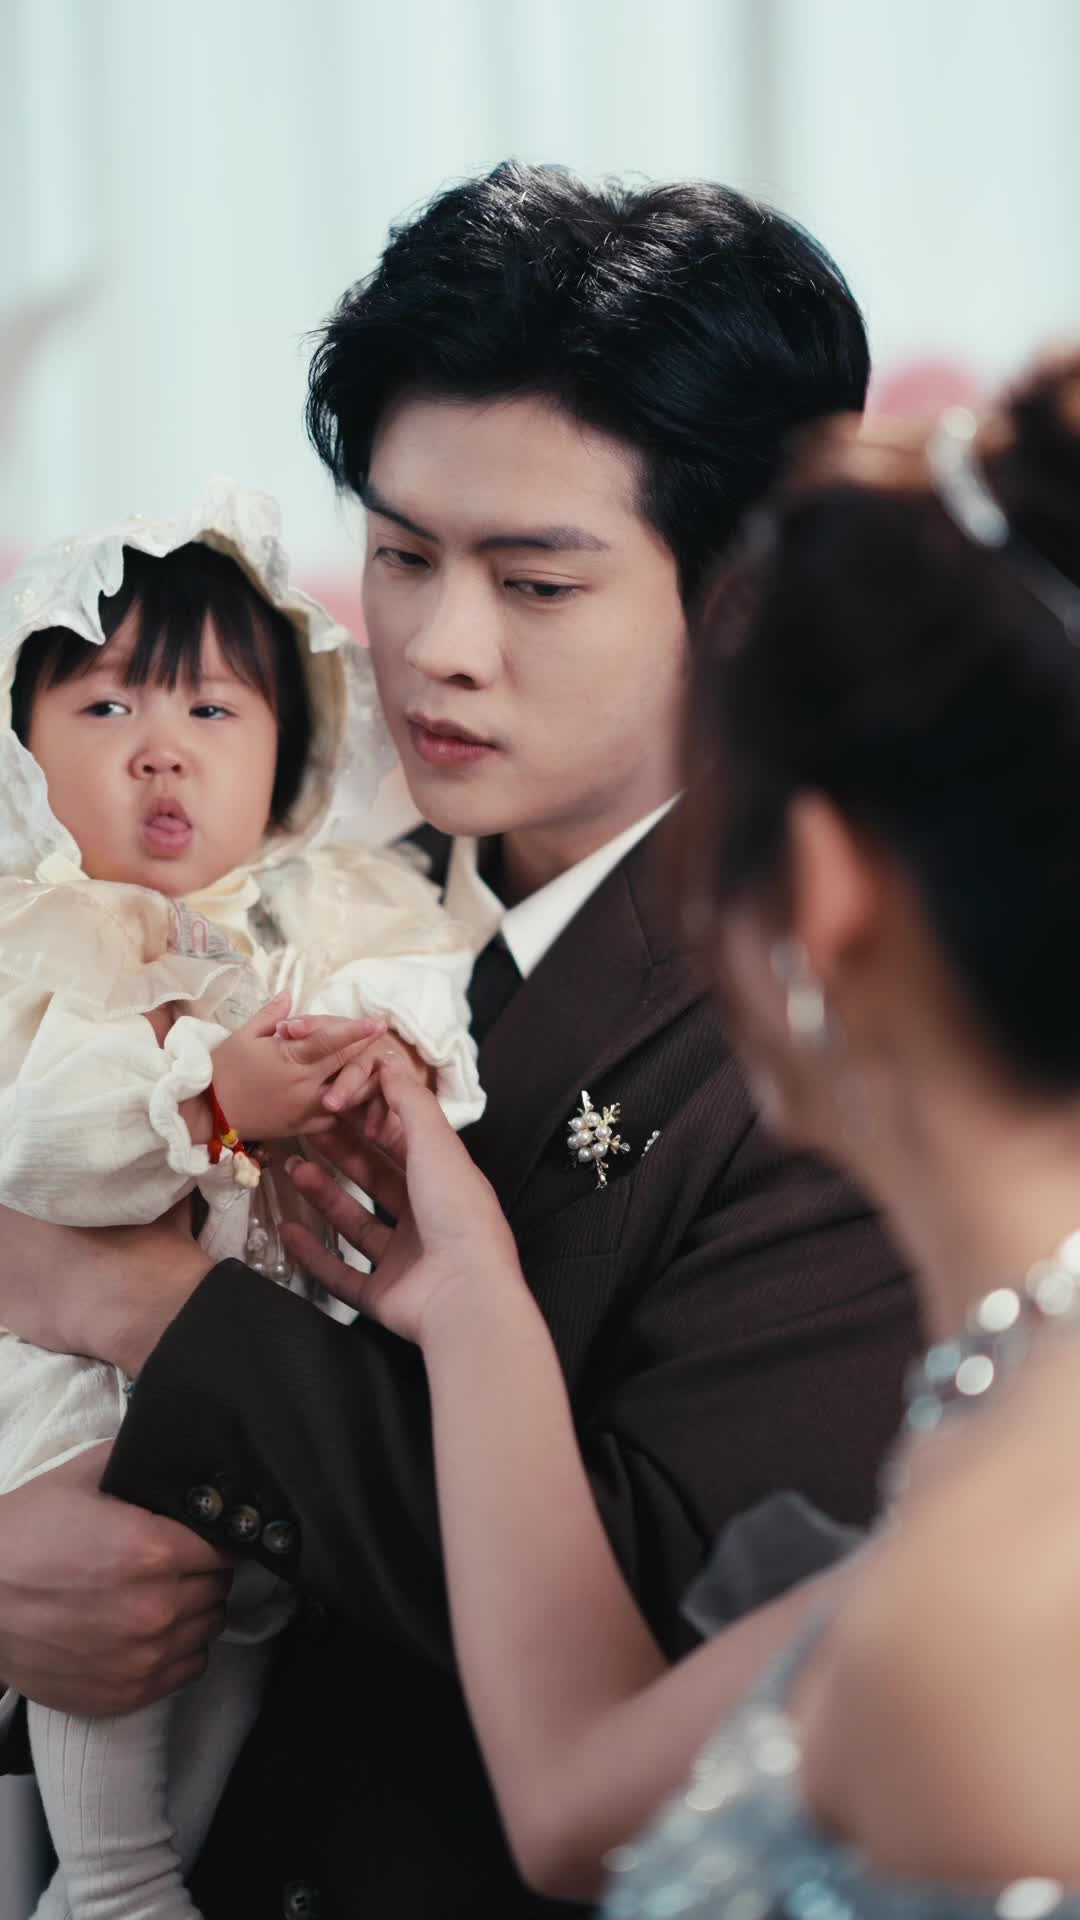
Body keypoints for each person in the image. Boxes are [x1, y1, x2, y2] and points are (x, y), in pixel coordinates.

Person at [0, 164, 915, 1918]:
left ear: (747, 593)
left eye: (537, 583)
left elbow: (665, 1634)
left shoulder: (847, 1039)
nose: (436, 647)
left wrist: (134, 1305)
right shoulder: (284, 874)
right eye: (402, 555)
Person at [278, 350, 1080, 1914]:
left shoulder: (979, 1621)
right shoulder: (1017, 1433)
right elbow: (577, 1796)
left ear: (820, 890)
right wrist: (474, 1305)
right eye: (398, 555)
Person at [0, 478, 483, 1919]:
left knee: (236, 1621)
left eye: (213, 710)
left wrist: (396, 1057)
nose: (161, 750)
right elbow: (37, 1139)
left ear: (288, 754)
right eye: (104, 707)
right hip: (74, 1375)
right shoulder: (38, 930)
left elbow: (422, 993)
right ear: (21, 745)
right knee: (115, 1556)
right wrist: (209, 1094)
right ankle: (112, 1874)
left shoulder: (327, 908)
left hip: (266, 1368)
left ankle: (163, 1867)